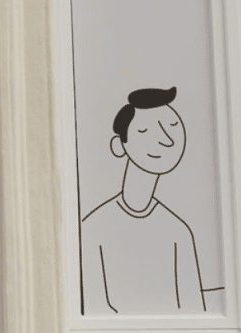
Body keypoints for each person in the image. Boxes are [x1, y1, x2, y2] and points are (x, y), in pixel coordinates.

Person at [80, 86, 204, 315]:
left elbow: (195, 311)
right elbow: (92, 309)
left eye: (173, 126)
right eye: (145, 131)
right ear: (119, 146)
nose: (166, 140)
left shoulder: (178, 232)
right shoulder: (92, 229)